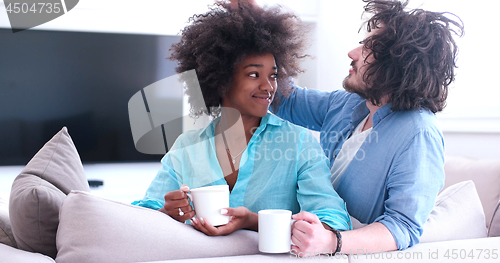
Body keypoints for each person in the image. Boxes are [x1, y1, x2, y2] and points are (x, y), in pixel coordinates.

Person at [133, 1, 351, 239]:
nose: (269, 87)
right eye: (254, 74)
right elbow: (141, 216)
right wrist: (167, 211)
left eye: (273, 75)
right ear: (222, 79)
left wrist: (254, 222)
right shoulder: (186, 147)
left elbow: (333, 221)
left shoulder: (298, 143)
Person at [268, 0, 464, 255]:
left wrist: (331, 241)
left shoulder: (419, 133)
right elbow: (287, 99)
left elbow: (403, 226)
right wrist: (261, 26)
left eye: (367, 48)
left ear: (397, 64)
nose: (352, 53)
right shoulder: (349, 103)